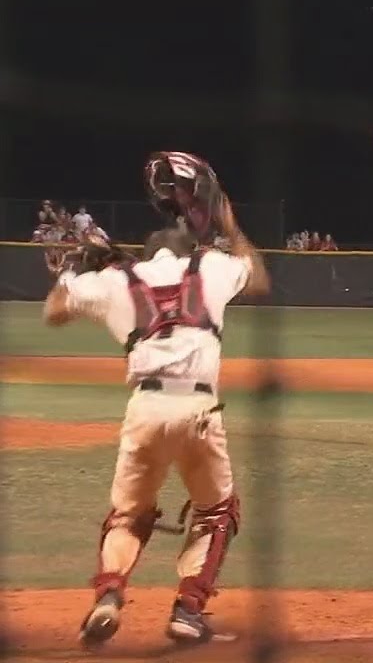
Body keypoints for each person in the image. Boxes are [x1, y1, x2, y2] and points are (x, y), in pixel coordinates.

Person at [42, 190, 269, 646]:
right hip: (199, 409)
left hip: (145, 407)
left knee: (128, 514)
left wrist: (78, 265)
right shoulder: (210, 266)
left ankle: (108, 594)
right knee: (217, 512)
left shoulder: (115, 278)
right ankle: (188, 610)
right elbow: (259, 279)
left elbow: (54, 311)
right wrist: (229, 222)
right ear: (189, 249)